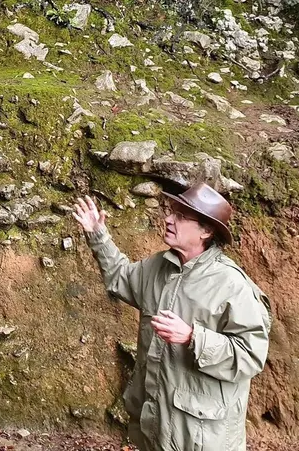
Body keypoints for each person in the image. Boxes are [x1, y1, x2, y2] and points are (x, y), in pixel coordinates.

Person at [72, 182, 270, 451]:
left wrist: (193, 337)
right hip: (155, 427)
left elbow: (250, 356)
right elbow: (121, 278)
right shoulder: (158, 267)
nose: (168, 219)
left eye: (180, 215)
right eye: (170, 211)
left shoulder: (232, 285)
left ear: (207, 230)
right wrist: (98, 235)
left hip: (201, 438)